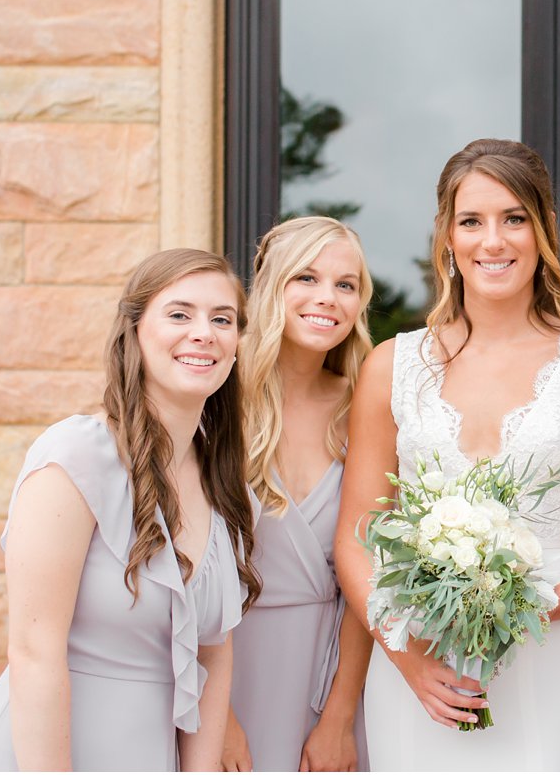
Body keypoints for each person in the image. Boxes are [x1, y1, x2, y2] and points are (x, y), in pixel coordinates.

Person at [335, 138, 560, 771]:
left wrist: (531, 606)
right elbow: (355, 539)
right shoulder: (392, 367)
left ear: (541, 232)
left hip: (551, 658)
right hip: (419, 665)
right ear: (447, 238)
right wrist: (405, 653)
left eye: (514, 218)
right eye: (472, 221)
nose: (494, 240)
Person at [0, 249, 260, 771]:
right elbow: (34, 654)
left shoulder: (227, 487)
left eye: (222, 319)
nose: (203, 332)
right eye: (180, 314)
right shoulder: (75, 458)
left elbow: (213, 654)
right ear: (134, 332)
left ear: (234, 347)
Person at [223, 217, 373, 772]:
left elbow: (371, 580)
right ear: (271, 286)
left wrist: (338, 717)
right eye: (306, 278)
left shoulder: (365, 404)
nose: (327, 299)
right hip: (225, 669)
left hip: (332, 675)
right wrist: (218, 718)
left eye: (346, 284)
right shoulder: (214, 393)